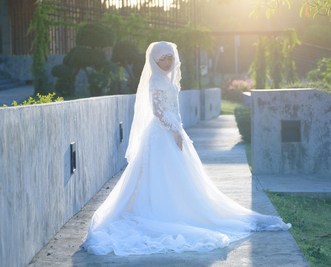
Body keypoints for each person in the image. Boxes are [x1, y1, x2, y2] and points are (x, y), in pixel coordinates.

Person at [82, 41, 291, 256]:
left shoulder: (168, 79)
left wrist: (179, 130)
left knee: (181, 174)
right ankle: (163, 208)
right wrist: (174, 131)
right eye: (163, 58)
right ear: (155, 60)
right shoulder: (155, 79)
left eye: (170, 57)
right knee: (162, 172)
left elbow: (174, 108)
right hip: (161, 133)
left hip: (174, 131)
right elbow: (157, 111)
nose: (167, 61)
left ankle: (183, 207)